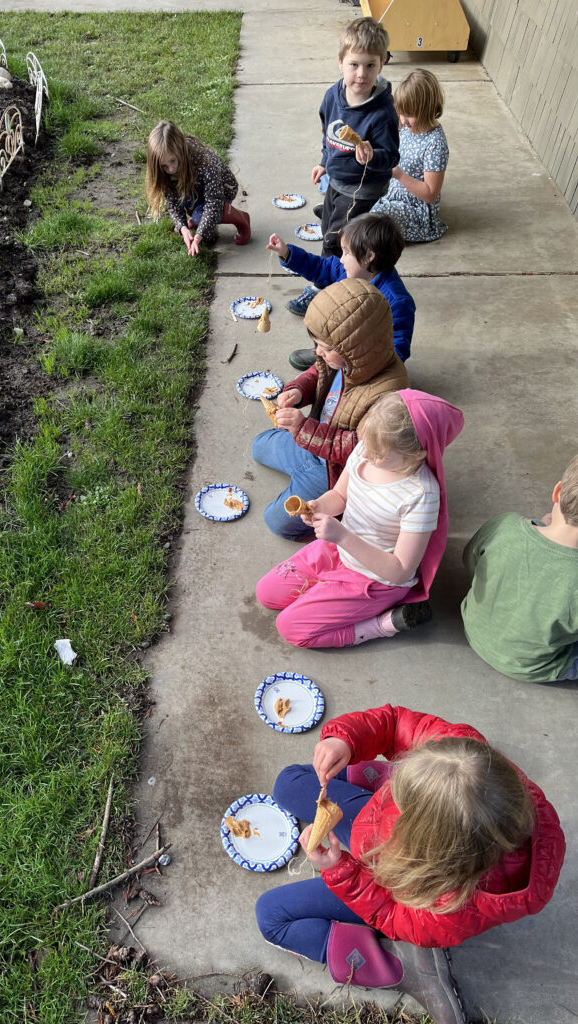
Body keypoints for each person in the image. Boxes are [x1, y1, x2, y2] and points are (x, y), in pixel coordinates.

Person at [255, 704, 566, 1024]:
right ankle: (396, 783)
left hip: (389, 889)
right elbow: (395, 723)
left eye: (403, 792)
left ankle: (402, 966)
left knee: (271, 916)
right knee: (289, 783)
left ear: (426, 854)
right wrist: (346, 740)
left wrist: (340, 870)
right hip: (382, 827)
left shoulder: (451, 907)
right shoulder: (467, 763)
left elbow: (390, 914)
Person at [256, 390, 463, 647]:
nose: (364, 455)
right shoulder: (366, 449)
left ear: (418, 454)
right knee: (266, 594)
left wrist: (342, 536)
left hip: (373, 578)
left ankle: (380, 625)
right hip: (336, 550)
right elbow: (339, 496)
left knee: (290, 628)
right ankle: (326, 595)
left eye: (377, 454)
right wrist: (319, 506)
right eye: (366, 444)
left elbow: (400, 571)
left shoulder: (420, 495)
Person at [253, 278, 409, 541]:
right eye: (316, 344)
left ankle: (337, 507)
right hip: (311, 443)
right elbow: (318, 373)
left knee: (277, 523)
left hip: (335, 471)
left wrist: (303, 429)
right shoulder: (340, 359)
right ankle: (300, 472)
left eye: (324, 348)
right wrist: (299, 390)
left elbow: (362, 449)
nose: (317, 352)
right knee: (258, 446)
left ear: (354, 349)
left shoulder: (388, 394)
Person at [286, 16, 399, 314]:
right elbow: (329, 134)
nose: (361, 74)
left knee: (336, 239)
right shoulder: (333, 97)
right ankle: (333, 217)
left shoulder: (382, 113)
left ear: (381, 65)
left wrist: (373, 155)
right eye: (354, 65)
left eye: (370, 65)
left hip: (362, 188)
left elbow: (392, 157)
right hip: (336, 179)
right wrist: (324, 162)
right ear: (341, 63)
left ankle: (321, 288)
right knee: (329, 223)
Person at [461, 453, 578, 683]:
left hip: (475, 631)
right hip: (537, 665)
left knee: (541, 523)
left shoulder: (504, 525)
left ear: (557, 492)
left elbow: (470, 561)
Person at [268, 212, 415, 368]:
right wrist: (287, 253)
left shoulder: (396, 302)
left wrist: (367, 370)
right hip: (341, 344)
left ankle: (333, 361)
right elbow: (318, 267)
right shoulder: (347, 271)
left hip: (366, 363)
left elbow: (397, 347)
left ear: (368, 256)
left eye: (347, 252)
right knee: (324, 313)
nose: (342, 259)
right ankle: (324, 354)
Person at [145, 120, 250, 255]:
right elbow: (173, 203)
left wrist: (199, 235)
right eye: (164, 166)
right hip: (195, 190)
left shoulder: (204, 161)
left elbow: (214, 202)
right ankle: (197, 216)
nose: (170, 169)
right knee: (194, 213)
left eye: (172, 161)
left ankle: (241, 219)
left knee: (200, 217)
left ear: (180, 150)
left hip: (222, 192)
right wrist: (183, 228)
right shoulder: (165, 170)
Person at [371, 69, 449, 242]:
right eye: (401, 112)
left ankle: (350, 220)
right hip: (390, 194)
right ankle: (342, 213)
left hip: (415, 210)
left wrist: (399, 175)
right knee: (355, 183)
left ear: (427, 110)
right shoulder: (407, 127)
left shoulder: (435, 144)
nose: (403, 119)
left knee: (376, 219)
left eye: (409, 115)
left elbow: (430, 194)